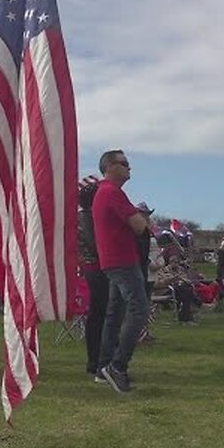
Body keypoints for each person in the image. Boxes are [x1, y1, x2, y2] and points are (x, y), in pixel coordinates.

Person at [92, 149, 152, 393]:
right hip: (123, 261)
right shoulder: (112, 192)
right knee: (139, 310)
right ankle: (118, 366)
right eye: (124, 163)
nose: (129, 168)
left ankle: (103, 366)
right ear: (109, 167)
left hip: (113, 261)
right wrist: (141, 220)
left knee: (115, 313)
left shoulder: (106, 193)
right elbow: (140, 226)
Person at [77, 175, 109, 382]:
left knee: (101, 314)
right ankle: (96, 360)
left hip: (96, 267)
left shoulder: (87, 216)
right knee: (99, 314)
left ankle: (98, 359)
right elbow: (94, 245)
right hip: (96, 268)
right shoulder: (87, 217)